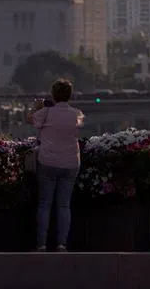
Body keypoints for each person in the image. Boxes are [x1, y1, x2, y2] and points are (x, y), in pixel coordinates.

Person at [28, 78, 85, 252]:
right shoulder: (77, 114)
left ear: (53, 95)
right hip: (70, 162)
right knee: (64, 204)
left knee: (45, 203)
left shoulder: (46, 112)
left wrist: (37, 108)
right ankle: (62, 243)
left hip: (48, 161)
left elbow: (30, 120)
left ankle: (41, 244)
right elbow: (80, 123)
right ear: (70, 95)